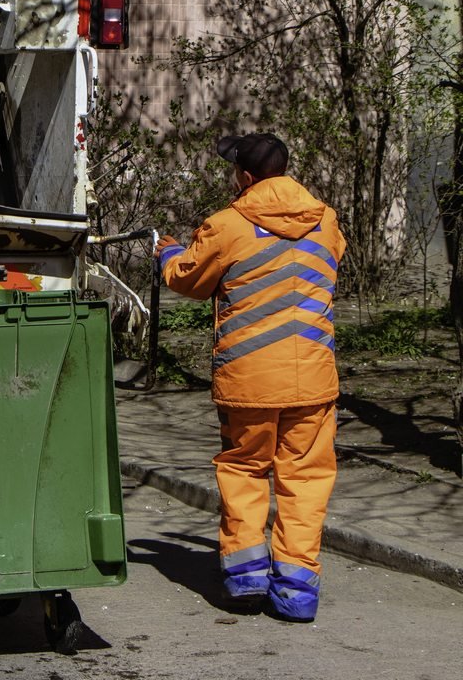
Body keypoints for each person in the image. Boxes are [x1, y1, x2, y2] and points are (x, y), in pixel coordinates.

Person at [154, 132, 346, 622]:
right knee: (305, 481)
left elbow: (189, 281)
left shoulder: (229, 224)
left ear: (244, 175)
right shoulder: (326, 221)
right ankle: (298, 594)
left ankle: (245, 580)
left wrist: (166, 253)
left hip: (250, 381)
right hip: (314, 381)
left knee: (244, 473)